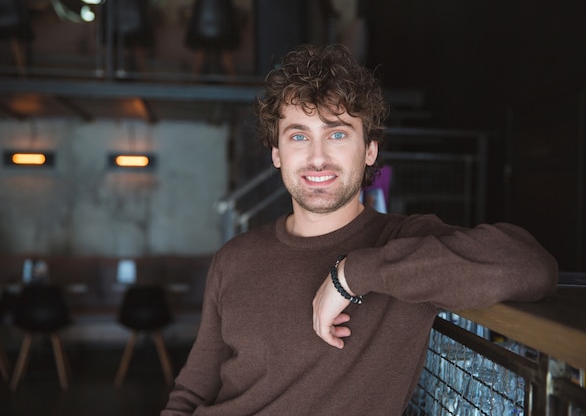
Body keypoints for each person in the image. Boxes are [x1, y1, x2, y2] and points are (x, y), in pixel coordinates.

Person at [161, 43, 558, 416]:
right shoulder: (232, 258)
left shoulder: (402, 243)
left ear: (370, 149)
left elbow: (531, 266)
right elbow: (191, 393)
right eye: (299, 136)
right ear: (277, 153)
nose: (318, 158)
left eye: (337, 134)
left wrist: (351, 275)